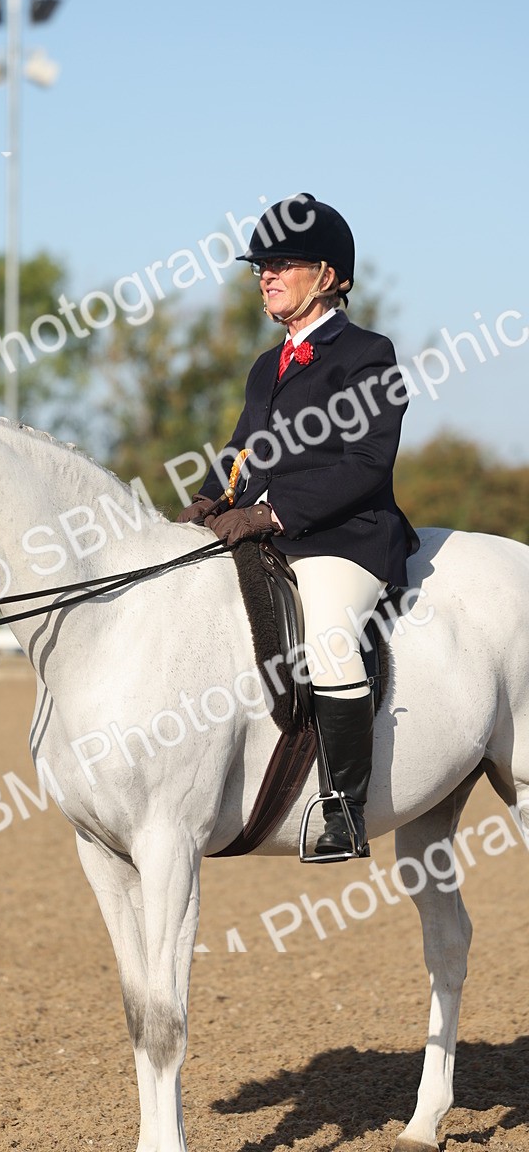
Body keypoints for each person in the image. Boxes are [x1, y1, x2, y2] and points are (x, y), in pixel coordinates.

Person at [176, 192, 419, 859]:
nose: (266, 276)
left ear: (329, 276)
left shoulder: (367, 354)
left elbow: (367, 464)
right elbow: (241, 451)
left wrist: (271, 511)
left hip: (346, 536)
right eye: (262, 266)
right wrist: (206, 500)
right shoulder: (267, 365)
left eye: (282, 264)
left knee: (331, 638)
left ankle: (344, 808)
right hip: (271, 533)